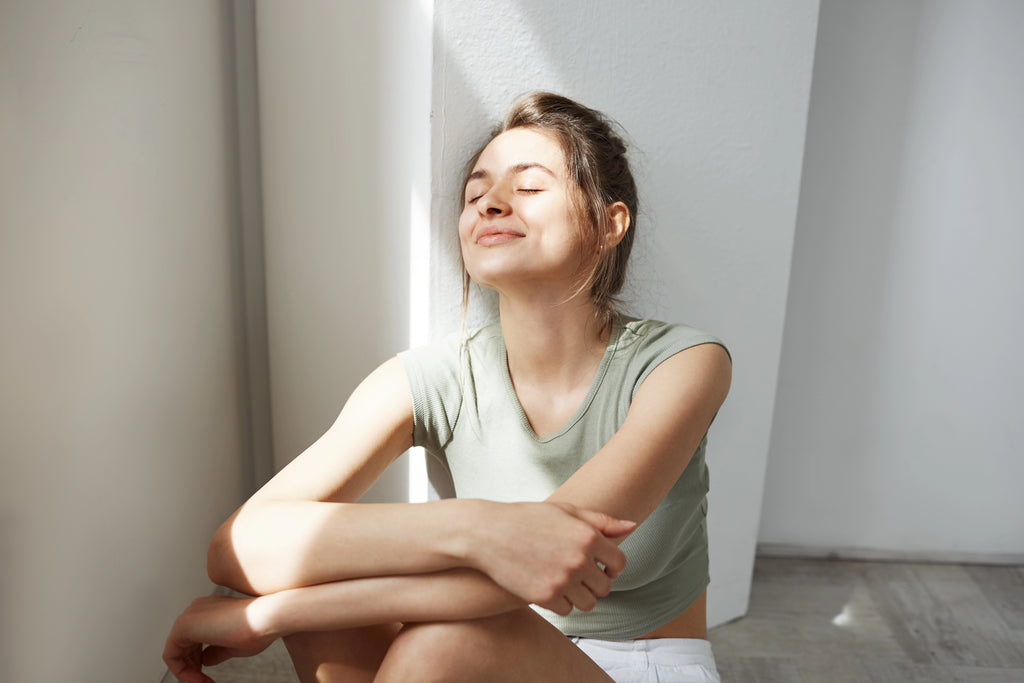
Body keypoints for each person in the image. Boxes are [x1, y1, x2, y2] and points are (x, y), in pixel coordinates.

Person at [163, 92, 731, 683]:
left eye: (529, 187)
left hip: (640, 666)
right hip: (469, 653)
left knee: (447, 641)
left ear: (609, 224)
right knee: (340, 583)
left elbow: (557, 556)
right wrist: (478, 528)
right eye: (475, 194)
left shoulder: (683, 365)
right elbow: (239, 547)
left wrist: (270, 616)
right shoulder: (432, 378)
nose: (491, 204)